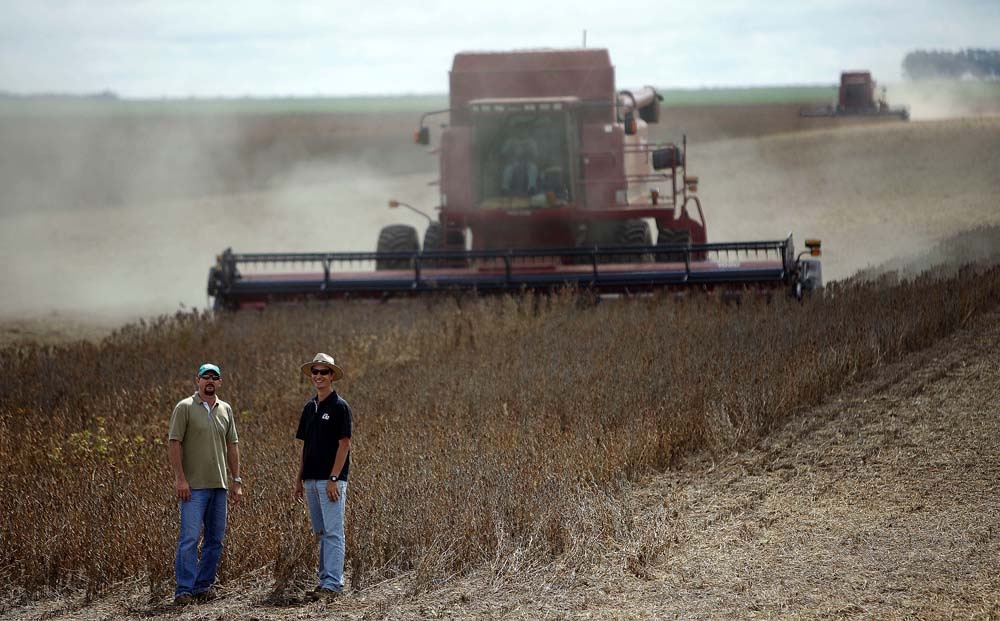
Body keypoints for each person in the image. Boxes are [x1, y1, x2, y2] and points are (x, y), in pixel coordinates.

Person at [167, 363, 243, 607]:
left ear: (220, 382)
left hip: (219, 486)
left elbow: (232, 445)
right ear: (197, 380)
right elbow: (174, 442)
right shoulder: (185, 407)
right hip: (193, 487)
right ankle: (184, 590)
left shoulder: (226, 409)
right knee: (189, 539)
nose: (210, 380)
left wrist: (236, 480)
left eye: (214, 377)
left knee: (215, 540)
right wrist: (180, 479)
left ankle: (203, 587)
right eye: (205, 376)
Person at [293, 353, 352, 600]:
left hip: (331, 482)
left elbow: (344, 444)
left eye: (323, 372)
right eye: (315, 372)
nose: (318, 376)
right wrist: (299, 479)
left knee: (333, 531)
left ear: (332, 376)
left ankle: (333, 585)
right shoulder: (309, 408)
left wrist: (334, 478)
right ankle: (324, 580)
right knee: (320, 532)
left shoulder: (340, 407)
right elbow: (305, 447)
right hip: (310, 480)